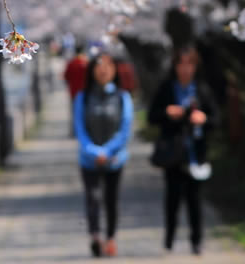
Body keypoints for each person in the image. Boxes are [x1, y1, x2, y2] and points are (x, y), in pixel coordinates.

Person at [148, 45, 217, 255]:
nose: (186, 69)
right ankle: (169, 239)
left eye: (190, 64)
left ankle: (196, 241)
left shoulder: (202, 90)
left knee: (195, 199)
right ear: (175, 66)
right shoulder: (167, 88)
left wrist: (203, 119)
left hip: (196, 153)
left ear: (196, 66)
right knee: (172, 198)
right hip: (173, 153)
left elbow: (216, 118)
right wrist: (169, 112)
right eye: (181, 64)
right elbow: (153, 116)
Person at [74, 52, 134, 258]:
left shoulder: (122, 97)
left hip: (115, 159)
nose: (103, 70)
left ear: (115, 70)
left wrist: (108, 151)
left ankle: (111, 238)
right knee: (93, 198)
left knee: (111, 199)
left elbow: (125, 129)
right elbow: (80, 129)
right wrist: (94, 152)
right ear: (92, 70)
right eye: (99, 65)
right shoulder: (83, 97)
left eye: (108, 65)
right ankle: (95, 237)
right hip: (88, 159)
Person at [64, 44, 89, 136]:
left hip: (74, 92)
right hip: (85, 92)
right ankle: (84, 131)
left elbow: (66, 76)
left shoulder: (71, 63)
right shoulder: (86, 63)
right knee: (84, 112)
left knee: (74, 113)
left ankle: (74, 131)